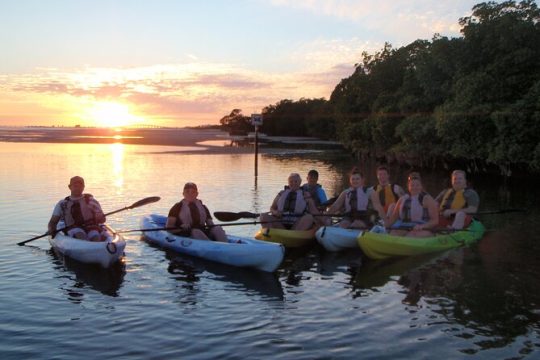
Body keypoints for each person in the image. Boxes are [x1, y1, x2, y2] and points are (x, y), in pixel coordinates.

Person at [47, 176, 106, 242]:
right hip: (73, 228)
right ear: (69, 187)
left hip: (91, 227)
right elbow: (53, 222)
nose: (78, 188)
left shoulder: (92, 201)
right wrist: (51, 229)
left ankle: (98, 247)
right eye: (75, 186)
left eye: (80, 186)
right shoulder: (62, 204)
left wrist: (100, 217)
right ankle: (88, 248)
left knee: (96, 237)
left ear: (83, 187)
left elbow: (103, 220)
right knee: (80, 235)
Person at [385, 172, 439, 237]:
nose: (415, 187)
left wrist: (422, 226)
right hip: (405, 226)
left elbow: (435, 220)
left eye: (417, 185)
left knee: (410, 236)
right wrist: (385, 226)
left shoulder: (427, 199)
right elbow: (393, 218)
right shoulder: (402, 199)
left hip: (423, 228)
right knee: (393, 233)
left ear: (421, 186)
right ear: (408, 187)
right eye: (412, 185)